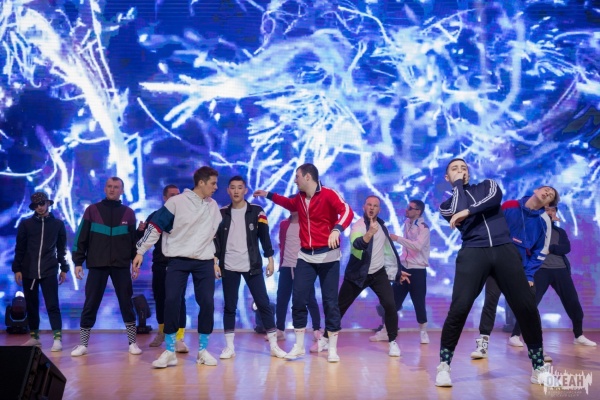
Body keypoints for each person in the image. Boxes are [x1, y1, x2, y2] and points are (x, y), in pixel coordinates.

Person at [435, 158, 556, 388]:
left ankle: (539, 367)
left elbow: (493, 200)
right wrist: (458, 186)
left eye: (464, 168)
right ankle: (444, 366)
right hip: (473, 251)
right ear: (447, 177)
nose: (461, 171)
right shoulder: (445, 206)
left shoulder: (487, 186)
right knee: (459, 307)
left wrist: (468, 211)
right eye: (455, 169)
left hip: (504, 249)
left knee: (526, 307)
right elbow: (455, 211)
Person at [253, 163, 354, 362]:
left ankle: (332, 348)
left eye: (297, 176)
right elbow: (286, 202)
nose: (295, 180)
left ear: (308, 177)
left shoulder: (329, 194)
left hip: (328, 256)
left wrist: (337, 229)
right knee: (298, 299)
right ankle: (299, 346)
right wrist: (268, 194)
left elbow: (347, 212)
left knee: (330, 302)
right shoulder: (299, 199)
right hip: (306, 256)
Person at [134, 166, 222, 368]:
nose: (216, 187)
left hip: (204, 261)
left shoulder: (213, 205)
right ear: (201, 183)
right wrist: (140, 251)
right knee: (172, 300)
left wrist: (215, 260)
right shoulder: (176, 202)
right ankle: (170, 351)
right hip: (177, 260)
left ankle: (203, 350)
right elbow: (155, 227)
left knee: (207, 302)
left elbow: (214, 235)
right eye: (213, 183)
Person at [470, 186, 558, 359]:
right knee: (490, 302)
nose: (548, 193)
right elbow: (492, 230)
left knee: (529, 308)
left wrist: (529, 274)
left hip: (521, 270)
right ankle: (482, 345)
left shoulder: (544, 220)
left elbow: (542, 250)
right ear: (536, 190)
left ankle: (537, 348)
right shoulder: (510, 206)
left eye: (551, 196)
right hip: (497, 264)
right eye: (547, 190)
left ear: (549, 203)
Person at [213, 176, 286, 359]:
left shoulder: (257, 211)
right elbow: (216, 241)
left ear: (245, 190)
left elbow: (265, 237)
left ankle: (274, 346)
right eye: (233, 187)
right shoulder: (221, 213)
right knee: (229, 306)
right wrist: (215, 262)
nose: (236, 191)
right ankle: (229, 347)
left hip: (252, 265)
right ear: (228, 191)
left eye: (240, 187)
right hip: (228, 265)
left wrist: (270, 259)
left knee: (263, 304)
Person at [71, 177, 141, 357]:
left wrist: (135, 262)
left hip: (121, 266)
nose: (112, 189)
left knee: (126, 303)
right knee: (91, 303)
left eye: (116, 187)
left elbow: (133, 242)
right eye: (109, 186)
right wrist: (78, 262)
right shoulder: (92, 210)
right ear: (104, 188)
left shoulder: (128, 213)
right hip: (97, 265)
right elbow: (81, 238)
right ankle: (83, 344)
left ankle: (132, 343)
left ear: (121, 191)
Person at [332, 195, 409, 357]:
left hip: (378, 274)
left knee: (390, 305)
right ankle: (326, 338)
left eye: (375, 205)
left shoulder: (382, 226)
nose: (372, 208)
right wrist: (369, 233)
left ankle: (392, 342)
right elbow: (357, 244)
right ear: (364, 207)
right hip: (357, 274)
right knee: (340, 307)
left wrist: (396, 271)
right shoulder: (358, 225)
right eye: (369, 205)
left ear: (379, 210)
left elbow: (387, 252)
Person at [510, 204, 596, 347]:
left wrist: (550, 248)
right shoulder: (533, 229)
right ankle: (515, 335)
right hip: (540, 270)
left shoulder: (560, 231)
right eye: (547, 210)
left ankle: (579, 335)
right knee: (530, 303)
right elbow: (528, 246)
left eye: (553, 210)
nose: (550, 212)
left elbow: (566, 248)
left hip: (560, 270)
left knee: (573, 302)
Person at [12, 192, 69, 352]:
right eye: (36, 205)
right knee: (31, 305)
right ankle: (34, 337)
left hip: (49, 269)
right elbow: (20, 248)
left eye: (42, 203)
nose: (40, 207)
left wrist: (64, 268)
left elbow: (61, 249)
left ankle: (57, 339)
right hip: (28, 270)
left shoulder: (57, 224)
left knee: (52, 305)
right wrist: (17, 268)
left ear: (48, 203)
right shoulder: (26, 224)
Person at [371, 199, 430, 344]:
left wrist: (397, 239)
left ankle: (423, 332)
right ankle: (386, 331)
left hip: (418, 270)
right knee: (392, 302)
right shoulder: (407, 223)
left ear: (418, 211)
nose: (407, 210)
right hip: (403, 269)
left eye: (410, 208)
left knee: (419, 303)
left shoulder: (423, 228)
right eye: (407, 207)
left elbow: (417, 246)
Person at [137, 184, 189, 352]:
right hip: (159, 265)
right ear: (165, 198)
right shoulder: (155, 216)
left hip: (179, 264)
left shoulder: (186, 215)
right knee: (160, 299)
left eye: (178, 194)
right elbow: (145, 239)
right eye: (172, 195)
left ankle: (179, 338)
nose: (176, 197)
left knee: (179, 300)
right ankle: (162, 332)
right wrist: (140, 231)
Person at [275, 211, 323, 351]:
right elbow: (281, 244)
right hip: (286, 266)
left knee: (309, 299)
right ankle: (280, 330)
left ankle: (316, 329)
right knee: (282, 299)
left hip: (303, 267)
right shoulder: (284, 224)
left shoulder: (306, 223)